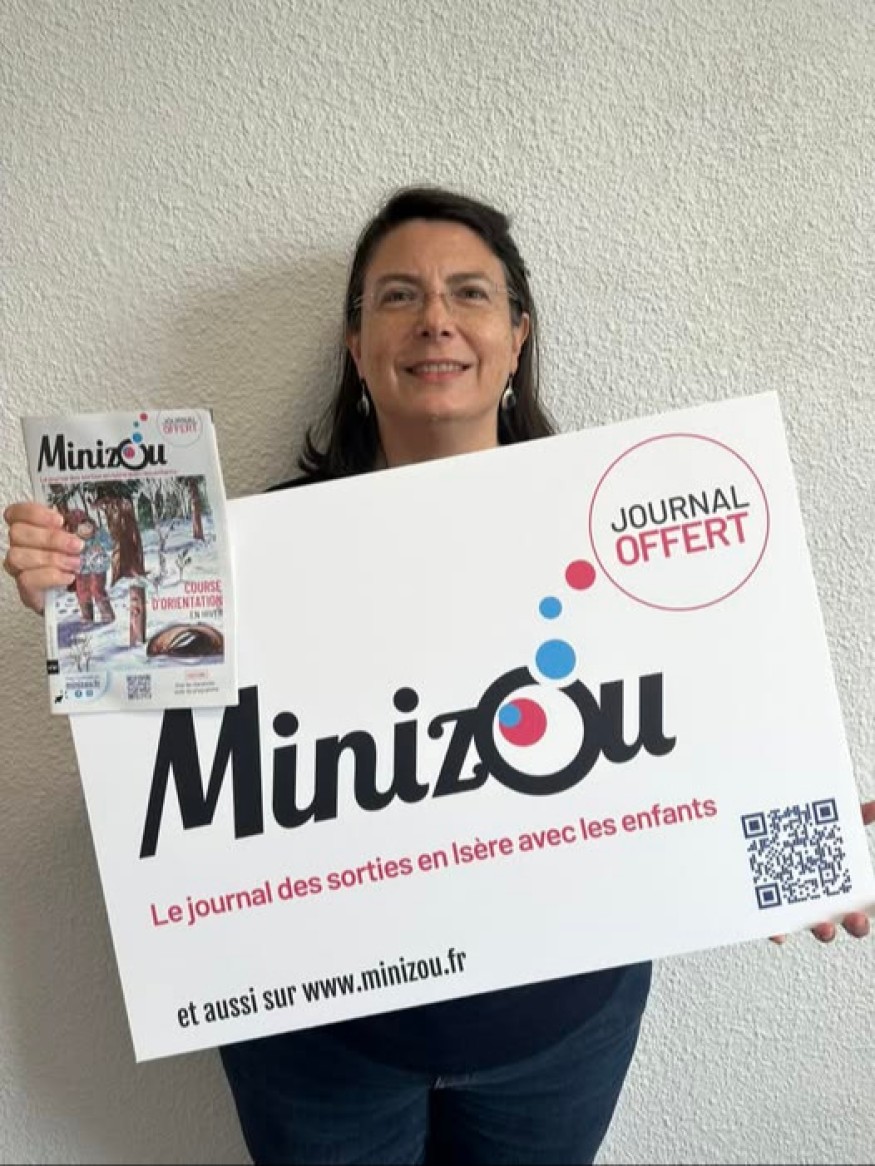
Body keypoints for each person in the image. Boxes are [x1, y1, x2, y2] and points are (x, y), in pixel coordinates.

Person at [3, 186, 873, 1166]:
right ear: (355, 343)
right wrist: (83, 597)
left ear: (515, 335)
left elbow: (703, 724)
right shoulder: (236, 555)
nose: (434, 319)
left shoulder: (616, 522)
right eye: (397, 296)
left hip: (559, 1033)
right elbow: (174, 766)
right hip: (317, 1046)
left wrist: (796, 830)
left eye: (468, 292)